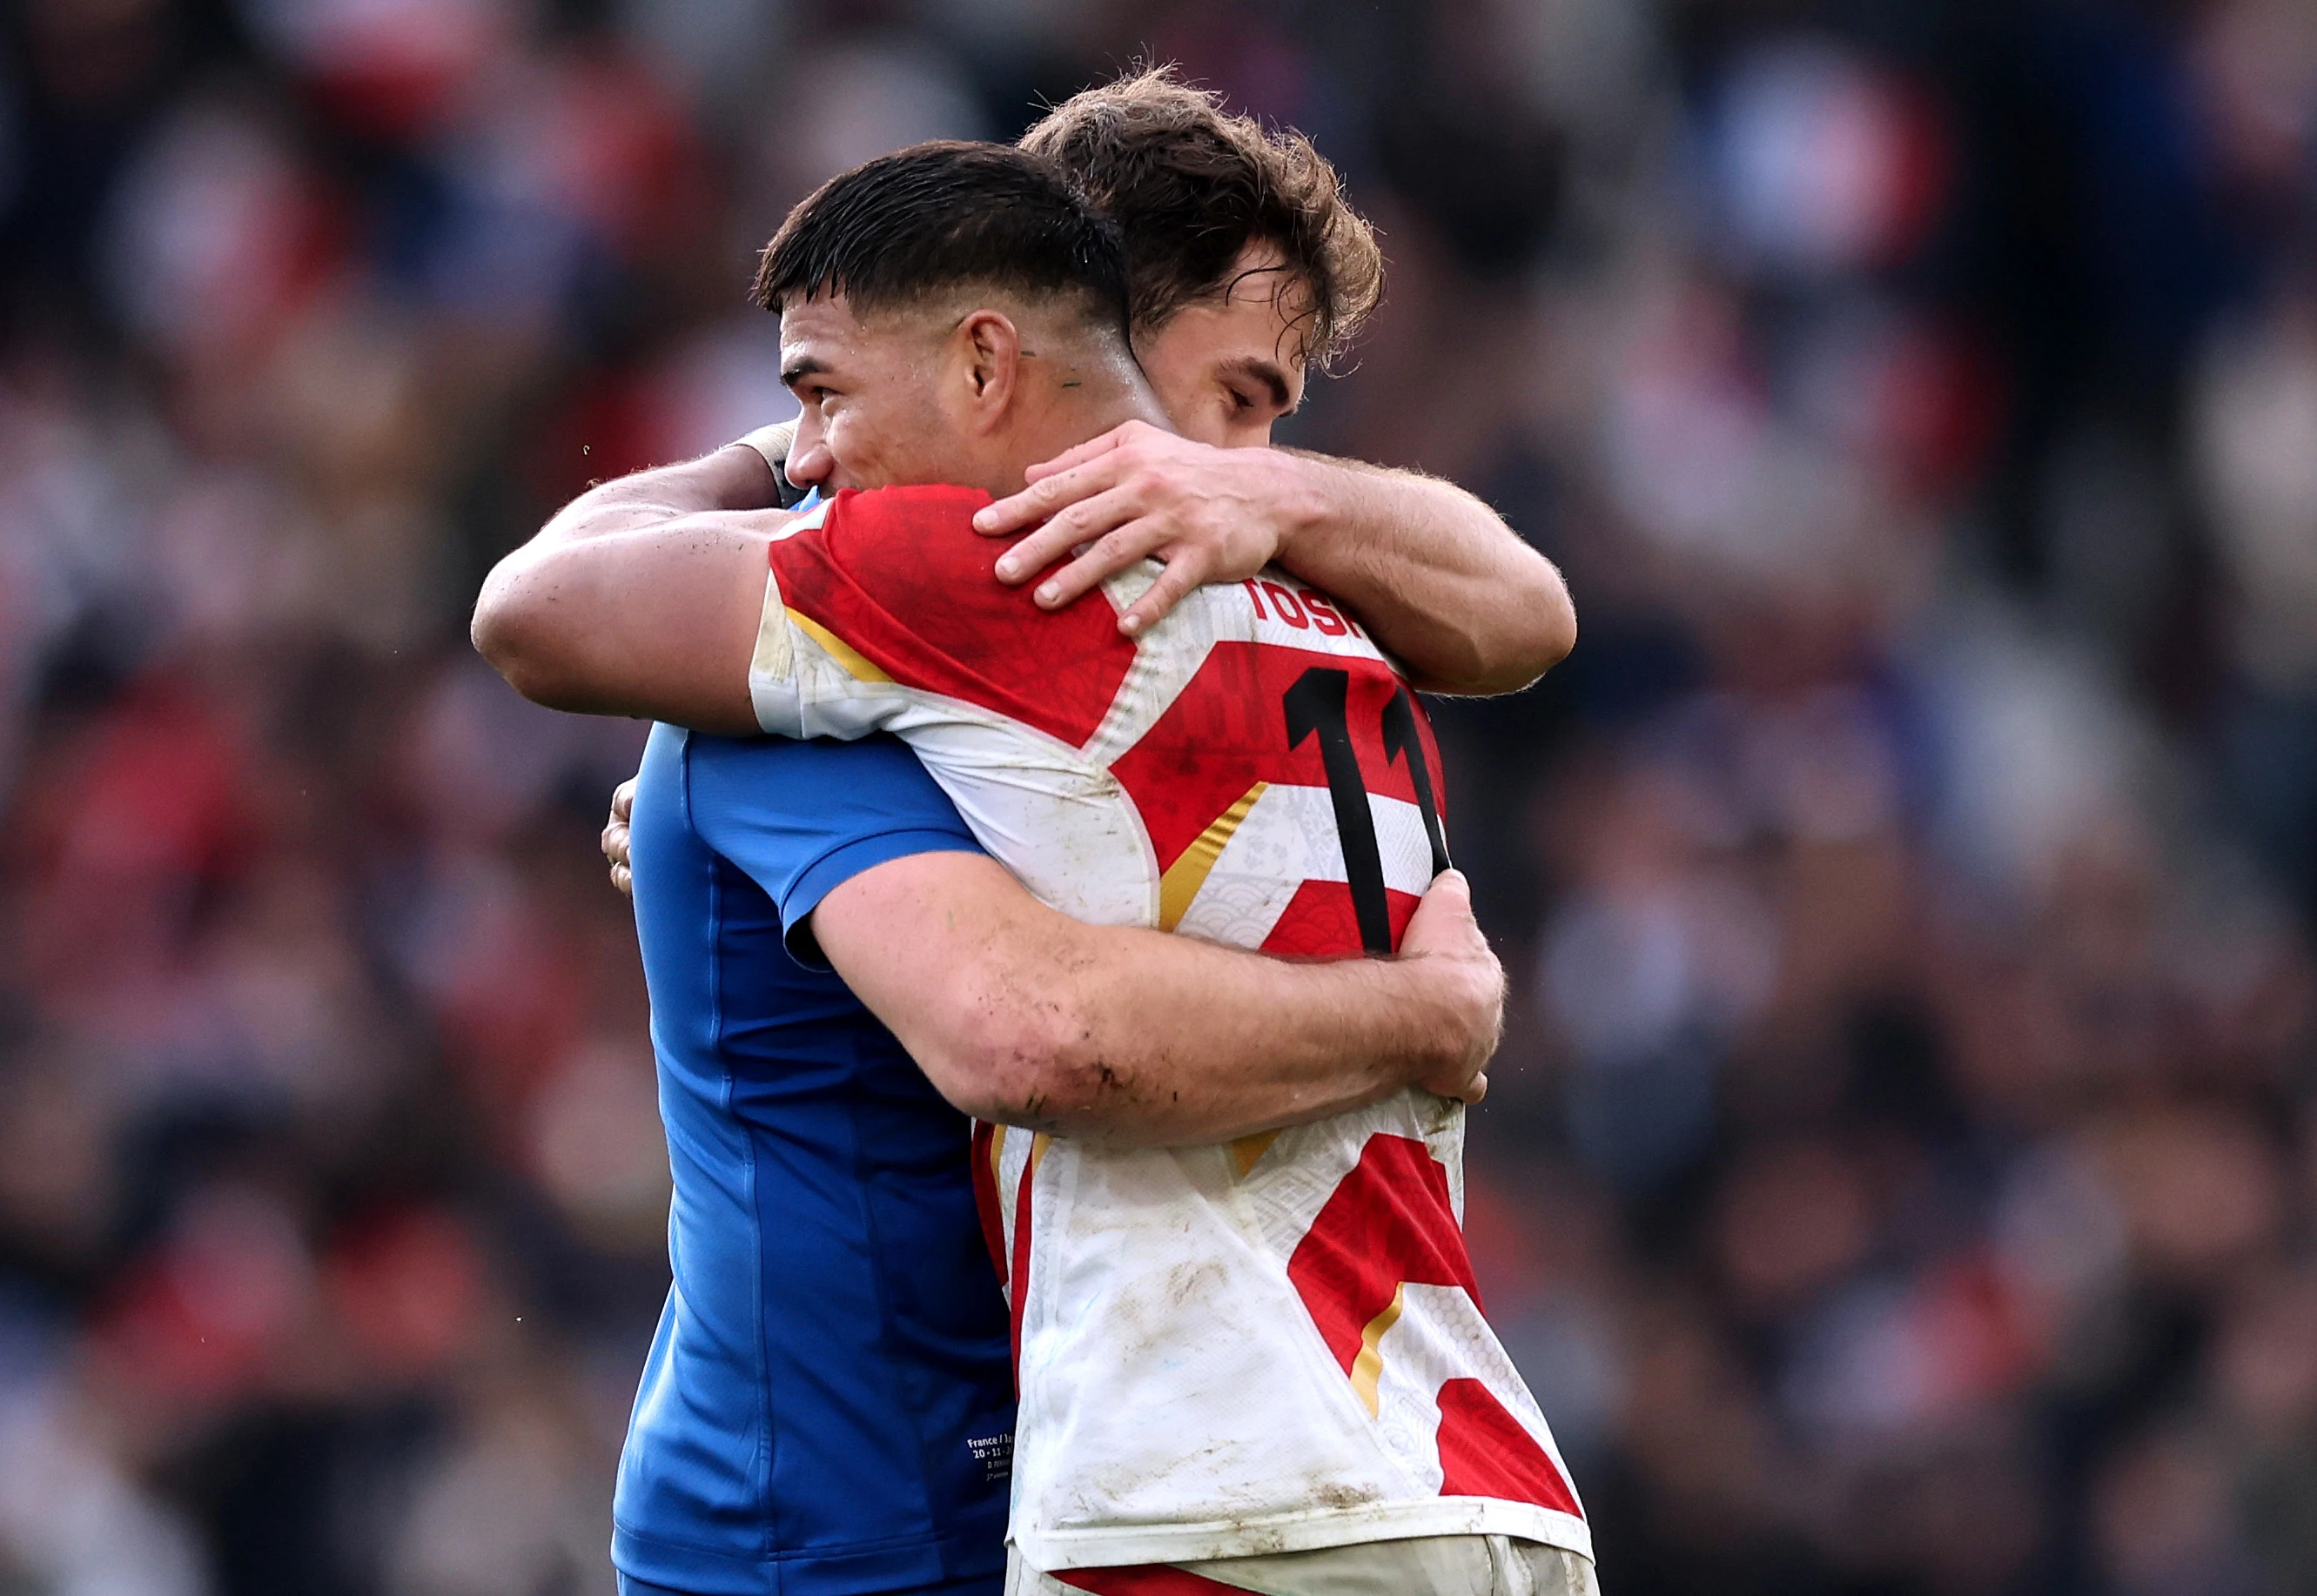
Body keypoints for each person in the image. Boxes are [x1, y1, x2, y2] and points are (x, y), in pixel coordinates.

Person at [473, 142, 1525, 1596]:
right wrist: (1422, 1015)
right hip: (855, 1517)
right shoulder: (862, 640)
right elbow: (1029, 1031)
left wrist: (1302, 513)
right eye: (1230, 398)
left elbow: (1526, 613)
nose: (1237, 466)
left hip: (1129, 1475)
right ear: (1054, 344)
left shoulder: (1235, 608)